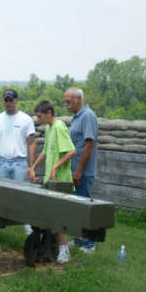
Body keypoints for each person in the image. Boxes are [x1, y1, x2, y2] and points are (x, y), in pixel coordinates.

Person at [26, 100, 76, 264]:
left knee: (59, 219)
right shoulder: (49, 129)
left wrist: (55, 167)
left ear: (49, 113)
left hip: (61, 180)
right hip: (51, 180)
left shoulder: (60, 127)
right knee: (50, 216)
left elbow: (71, 151)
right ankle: (50, 247)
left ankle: (64, 251)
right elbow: (45, 153)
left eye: (40, 116)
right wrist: (33, 166)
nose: (38, 119)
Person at [0, 89, 36, 234]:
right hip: (1, 161)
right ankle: (2, 225)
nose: (8, 103)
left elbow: (32, 143)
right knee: (2, 195)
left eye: (11, 100)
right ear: (3, 101)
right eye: (6, 100)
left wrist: (31, 166)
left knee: (23, 195)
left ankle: (27, 225)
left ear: (16, 101)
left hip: (19, 162)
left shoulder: (25, 119)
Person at [63, 87, 98, 253]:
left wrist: (79, 171)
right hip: (75, 169)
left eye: (68, 101)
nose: (65, 104)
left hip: (83, 171)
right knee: (76, 206)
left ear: (78, 100)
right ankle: (79, 240)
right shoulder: (76, 118)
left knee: (84, 207)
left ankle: (89, 244)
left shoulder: (88, 116)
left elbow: (89, 145)